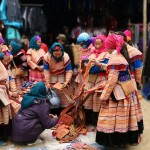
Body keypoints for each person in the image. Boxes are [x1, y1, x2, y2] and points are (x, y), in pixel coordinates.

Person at [96, 34, 144, 147]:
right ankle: (122, 140)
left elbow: (111, 81)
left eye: (106, 45)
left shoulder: (115, 58)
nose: (105, 47)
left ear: (110, 46)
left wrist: (103, 96)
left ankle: (115, 142)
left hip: (117, 94)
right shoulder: (120, 56)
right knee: (124, 119)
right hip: (125, 91)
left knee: (112, 118)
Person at [83, 34, 110, 126]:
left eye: (99, 44)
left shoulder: (106, 54)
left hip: (101, 80)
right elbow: (87, 66)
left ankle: (96, 122)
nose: (97, 46)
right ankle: (88, 120)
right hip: (91, 80)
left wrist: (96, 66)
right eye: (96, 44)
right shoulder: (92, 54)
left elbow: (106, 67)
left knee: (97, 98)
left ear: (104, 43)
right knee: (88, 98)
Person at [43, 42, 73, 115]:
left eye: (59, 54)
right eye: (55, 54)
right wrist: (47, 83)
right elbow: (46, 71)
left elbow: (69, 71)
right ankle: (54, 116)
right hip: (51, 77)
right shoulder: (46, 57)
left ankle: (65, 116)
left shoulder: (66, 57)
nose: (57, 56)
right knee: (53, 97)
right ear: (51, 52)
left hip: (62, 76)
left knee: (64, 98)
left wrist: (66, 82)